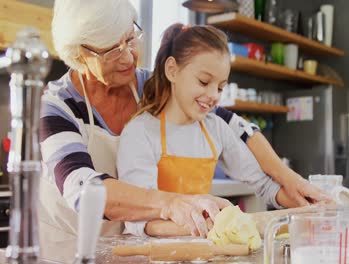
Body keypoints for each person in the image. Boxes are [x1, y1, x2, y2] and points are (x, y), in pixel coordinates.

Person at [39, 0, 331, 248]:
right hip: (68, 246)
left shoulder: (148, 85)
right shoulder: (57, 106)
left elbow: (235, 127)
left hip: (128, 242)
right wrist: (170, 203)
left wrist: (289, 180)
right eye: (112, 50)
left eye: (130, 39)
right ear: (79, 55)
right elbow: (84, 191)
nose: (128, 56)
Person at [117, 23, 307, 237]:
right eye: (204, 81)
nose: (213, 95)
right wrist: (213, 226)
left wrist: (309, 206)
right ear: (172, 70)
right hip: (148, 254)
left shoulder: (215, 128)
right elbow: (140, 220)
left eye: (220, 87)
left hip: (200, 250)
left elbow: (264, 184)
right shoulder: (140, 132)